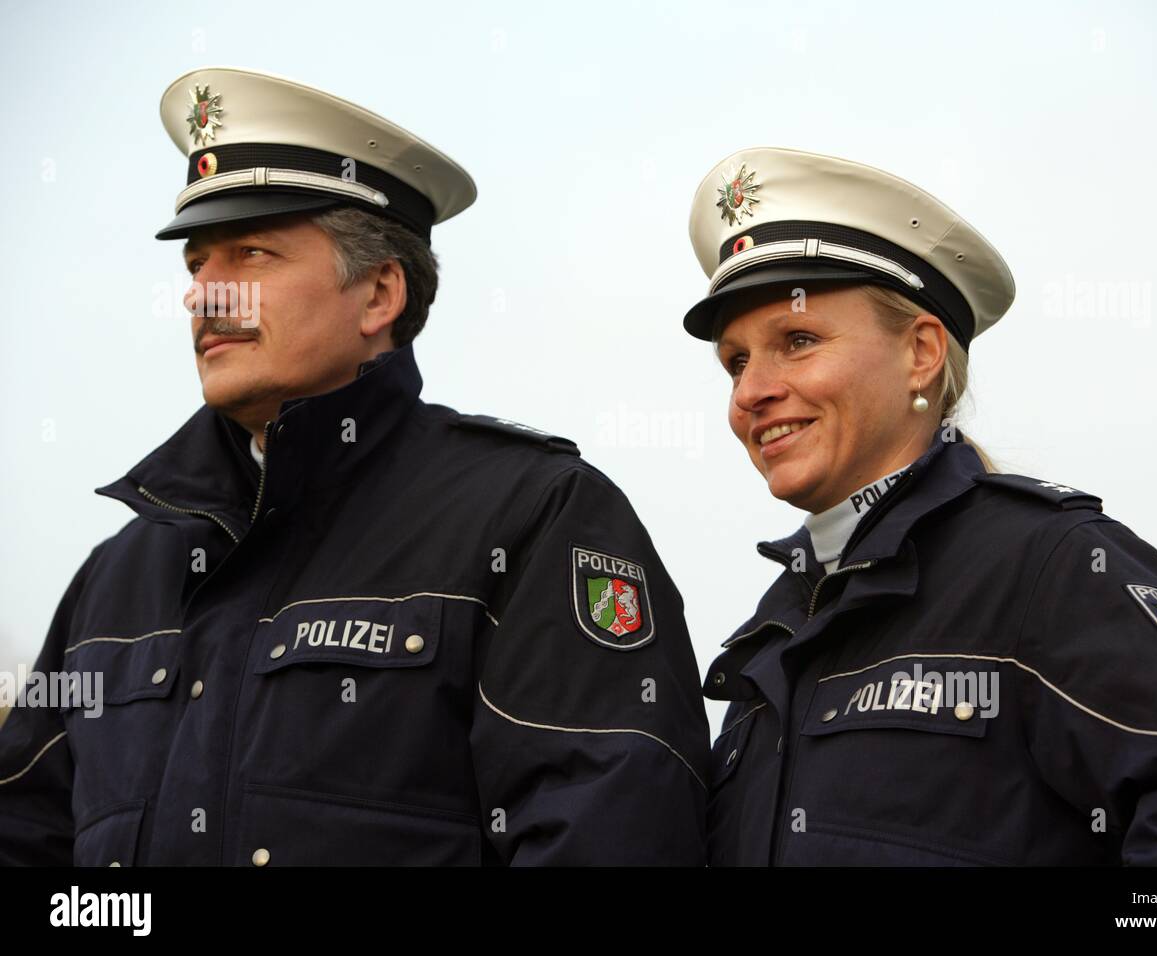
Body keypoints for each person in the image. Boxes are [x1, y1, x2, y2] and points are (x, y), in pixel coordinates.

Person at [0, 67, 709, 866]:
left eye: (251, 254)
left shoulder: (533, 518)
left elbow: (611, 831)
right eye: (197, 265)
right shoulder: (114, 580)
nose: (205, 297)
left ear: (378, 294)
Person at [685, 146, 1157, 865]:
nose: (751, 392)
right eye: (736, 362)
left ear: (920, 353)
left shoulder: (1051, 566)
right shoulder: (772, 636)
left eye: (797, 340)